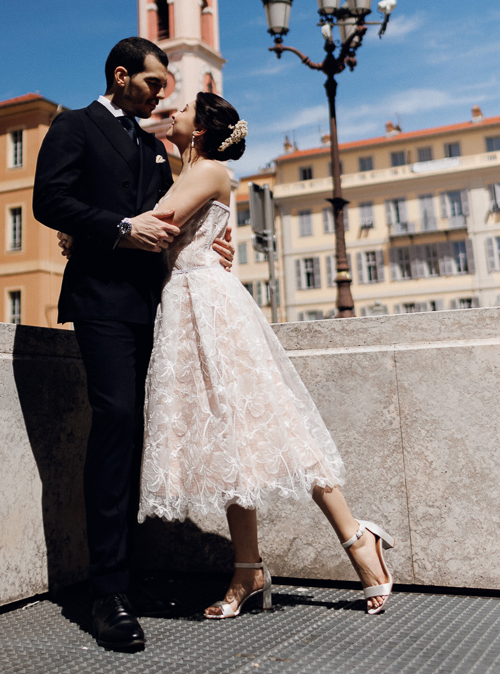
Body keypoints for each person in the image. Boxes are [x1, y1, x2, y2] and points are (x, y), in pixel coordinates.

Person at [137, 92, 395, 620]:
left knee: (274, 422)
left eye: (183, 108)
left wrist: (83, 229)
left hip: (210, 304)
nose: (174, 111)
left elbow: (156, 224)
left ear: (203, 129)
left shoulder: (208, 172)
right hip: (186, 305)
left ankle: (357, 537)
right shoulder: (184, 168)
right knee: (232, 440)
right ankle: (247, 568)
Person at [32, 37, 233, 653]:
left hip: (159, 304)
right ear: (121, 76)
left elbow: (174, 219)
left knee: (146, 432)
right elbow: (50, 202)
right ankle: (108, 593)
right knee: (116, 419)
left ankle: (132, 574)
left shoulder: (154, 145)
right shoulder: (74, 126)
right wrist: (118, 228)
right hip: (102, 304)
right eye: (152, 84)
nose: (161, 95)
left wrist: (213, 244)